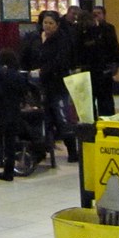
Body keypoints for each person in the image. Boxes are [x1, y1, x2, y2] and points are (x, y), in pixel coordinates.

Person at [35, 10, 79, 162]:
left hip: (59, 84)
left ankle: (73, 151)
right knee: (45, 117)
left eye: (50, 23)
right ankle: (43, 149)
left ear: (57, 25)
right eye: (45, 23)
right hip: (45, 84)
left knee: (63, 118)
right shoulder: (40, 38)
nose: (47, 26)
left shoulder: (62, 40)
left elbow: (61, 61)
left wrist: (44, 70)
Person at [0, 49, 27, 183]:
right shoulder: (18, 76)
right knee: (10, 143)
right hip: (14, 113)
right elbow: (23, 93)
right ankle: (9, 172)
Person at [92, 6, 119, 116]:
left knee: (106, 95)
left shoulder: (109, 28)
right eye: (94, 13)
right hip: (94, 67)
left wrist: (116, 63)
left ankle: (108, 116)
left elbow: (114, 45)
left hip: (106, 66)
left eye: (99, 13)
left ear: (104, 15)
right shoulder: (90, 29)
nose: (96, 15)